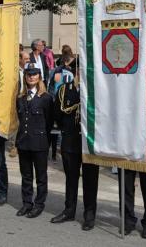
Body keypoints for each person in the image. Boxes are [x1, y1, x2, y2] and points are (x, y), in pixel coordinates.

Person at [50, 63, 100, 231]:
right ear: (76, 71)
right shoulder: (65, 89)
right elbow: (57, 112)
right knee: (71, 178)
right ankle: (69, 210)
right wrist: (66, 128)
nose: (83, 72)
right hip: (70, 141)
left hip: (90, 143)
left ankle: (89, 214)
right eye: (80, 69)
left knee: (90, 180)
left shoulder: (97, 90)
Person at [15, 62, 53, 218]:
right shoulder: (20, 98)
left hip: (39, 143)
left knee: (41, 176)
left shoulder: (46, 98)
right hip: (24, 142)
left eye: (34, 74)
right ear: (25, 77)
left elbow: (49, 122)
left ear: (39, 77)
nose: (31, 77)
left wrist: (45, 141)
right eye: (29, 74)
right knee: (26, 175)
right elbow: (20, 118)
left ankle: (39, 204)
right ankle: (26, 203)